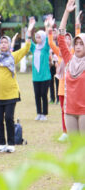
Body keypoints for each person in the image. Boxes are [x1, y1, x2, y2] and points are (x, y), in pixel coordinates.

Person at [0, 17, 35, 153]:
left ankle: (11, 143)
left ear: (9, 45)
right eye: (1, 42)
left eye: (6, 42)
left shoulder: (13, 56)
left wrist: (29, 31)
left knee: (9, 118)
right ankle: (1, 143)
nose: (3, 44)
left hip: (11, 93)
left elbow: (26, 47)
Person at [58, 0, 85, 189]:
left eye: (81, 44)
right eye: (76, 44)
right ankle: (78, 180)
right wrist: (66, 13)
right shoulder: (68, 60)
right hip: (70, 110)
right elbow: (60, 36)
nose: (77, 47)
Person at [47, 14, 81, 142]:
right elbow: (51, 42)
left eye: (68, 39)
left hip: (73, 89)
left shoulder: (72, 54)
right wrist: (50, 28)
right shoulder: (60, 54)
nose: (66, 40)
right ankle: (65, 132)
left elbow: (79, 37)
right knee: (64, 110)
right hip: (62, 87)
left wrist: (77, 24)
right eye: (64, 38)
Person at [30, 18, 51, 121]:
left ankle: (44, 114)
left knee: (43, 94)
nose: (37, 39)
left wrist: (47, 26)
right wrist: (30, 29)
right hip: (36, 77)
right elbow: (28, 42)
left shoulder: (46, 48)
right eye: (36, 37)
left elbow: (48, 39)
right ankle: (38, 113)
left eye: (39, 37)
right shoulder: (34, 48)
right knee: (37, 95)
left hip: (45, 76)